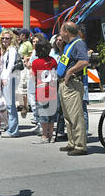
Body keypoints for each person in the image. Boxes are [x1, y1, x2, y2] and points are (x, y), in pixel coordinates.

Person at [57, 21, 89, 156]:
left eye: (61, 31)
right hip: (64, 83)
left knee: (75, 115)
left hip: (72, 84)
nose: (59, 34)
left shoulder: (79, 43)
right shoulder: (68, 45)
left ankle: (80, 146)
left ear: (66, 32)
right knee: (68, 116)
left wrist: (70, 72)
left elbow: (84, 61)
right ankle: (72, 142)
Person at [31, 38, 58, 144]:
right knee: (51, 114)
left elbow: (34, 77)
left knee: (43, 114)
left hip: (41, 90)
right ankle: (51, 135)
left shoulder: (36, 62)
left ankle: (44, 136)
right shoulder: (53, 61)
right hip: (52, 89)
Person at [0, 29, 21, 138]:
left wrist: (5, 78)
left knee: (10, 105)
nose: (4, 40)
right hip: (6, 78)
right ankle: (12, 128)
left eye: (7, 38)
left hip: (9, 78)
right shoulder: (6, 50)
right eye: (3, 38)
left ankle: (13, 130)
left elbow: (11, 65)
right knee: (8, 104)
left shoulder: (12, 49)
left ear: (11, 39)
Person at [18, 28, 33, 118]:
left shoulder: (28, 44)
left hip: (25, 67)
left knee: (25, 85)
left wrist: (26, 58)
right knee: (21, 86)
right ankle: (23, 104)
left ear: (24, 35)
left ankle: (25, 105)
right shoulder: (22, 44)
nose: (19, 36)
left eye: (20, 34)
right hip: (21, 66)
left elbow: (31, 54)